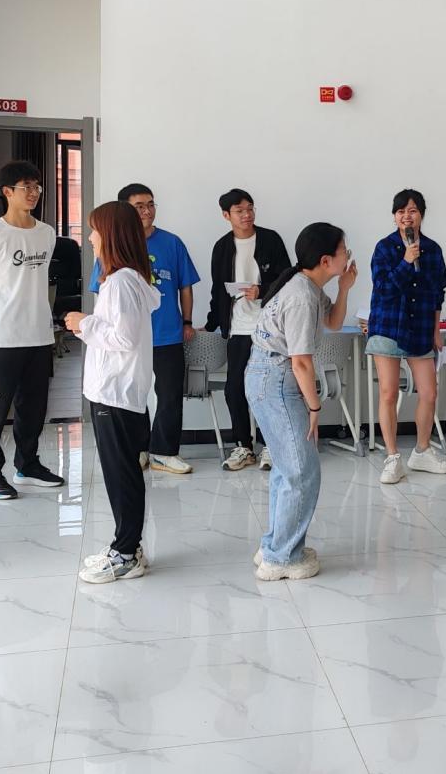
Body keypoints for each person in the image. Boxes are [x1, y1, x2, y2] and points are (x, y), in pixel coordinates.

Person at [247, 223, 357, 581]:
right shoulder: (301, 296)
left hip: (270, 377)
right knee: (301, 471)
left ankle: (275, 545)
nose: (347, 254)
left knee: (287, 467)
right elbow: (301, 363)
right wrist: (314, 407)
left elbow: (334, 322)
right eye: (343, 250)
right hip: (277, 380)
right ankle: (281, 558)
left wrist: (344, 288)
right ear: (326, 259)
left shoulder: (308, 286)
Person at [66, 201, 161, 584]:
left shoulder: (121, 282)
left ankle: (125, 553)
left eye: (94, 230)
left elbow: (123, 338)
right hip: (119, 391)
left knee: (121, 476)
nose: (90, 238)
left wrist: (84, 323)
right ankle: (128, 547)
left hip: (114, 394)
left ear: (111, 235)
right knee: (123, 474)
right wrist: (87, 325)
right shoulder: (128, 280)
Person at [0, 160, 64, 500]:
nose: (34, 192)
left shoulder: (47, 233)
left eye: (37, 186)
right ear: (7, 192)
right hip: (3, 338)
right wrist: (0, 325)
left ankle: (27, 465)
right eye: (27, 187)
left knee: (34, 407)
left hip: (39, 335)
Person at [91, 183, 200, 474]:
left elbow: (185, 285)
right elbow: (101, 289)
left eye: (151, 204)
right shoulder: (114, 246)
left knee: (169, 394)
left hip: (167, 333)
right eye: (139, 206)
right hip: (131, 338)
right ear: (125, 211)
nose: (147, 211)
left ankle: (164, 452)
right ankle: (138, 448)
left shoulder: (172, 243)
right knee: (133, 392)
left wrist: (187, 322)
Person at [367, 188, 446, 485]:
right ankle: (392, 457)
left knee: (429, 392)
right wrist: (406, 261)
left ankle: (422, 451)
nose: (407, 216)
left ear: (422, 216)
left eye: (413, 211)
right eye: (401, 211)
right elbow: (384, 289)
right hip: (388, 326)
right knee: (389, 393)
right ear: (394, 217)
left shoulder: (433, 249)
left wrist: (436, 329)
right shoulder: (384, 248)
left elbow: (438, 292)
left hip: (421, 327)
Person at [203, 189, 291, 472]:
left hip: (269, 327)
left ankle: (270, 445)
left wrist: (262, 291)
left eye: (250, 208)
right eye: (240, 211)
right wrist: (211, 323)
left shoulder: (270, 239)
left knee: (268, 388)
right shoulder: (222, 247)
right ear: (226, 215)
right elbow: (218, 290)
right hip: (238, 327)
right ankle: (243, 446)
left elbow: (288, 279)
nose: (247, 214)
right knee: (234, 389)